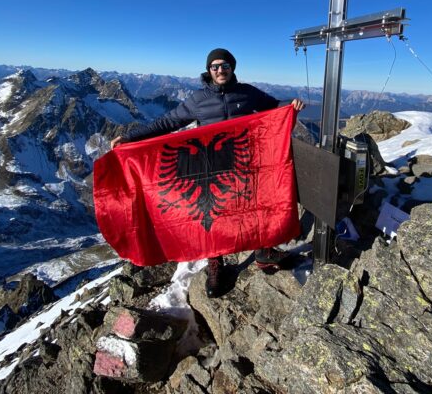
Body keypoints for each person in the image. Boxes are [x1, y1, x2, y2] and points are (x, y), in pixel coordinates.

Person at [111, 48, 305, 297]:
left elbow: (273, 106)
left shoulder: (247, 93)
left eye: (224, 65)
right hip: (212, 165)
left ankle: (264, 251)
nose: (220, 70)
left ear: (232, 67)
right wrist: (130, 138)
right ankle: (216, 264)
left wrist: (290, 105)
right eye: (215, 67)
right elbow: (168, 122)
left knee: (254, 205)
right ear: (209, 70)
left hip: (245, 162)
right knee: (213, 212)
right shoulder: (199, 99)